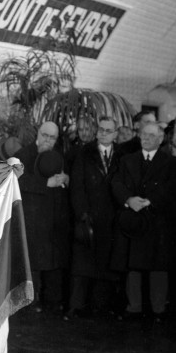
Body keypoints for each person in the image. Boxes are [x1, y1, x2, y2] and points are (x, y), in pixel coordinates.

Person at [111, 123, 176, 322]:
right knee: (133, 265)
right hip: (133, 218)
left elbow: (172, 188)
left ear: (160, 139)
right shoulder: (127, 160)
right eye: (143, 135)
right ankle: (134, 307)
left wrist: (151, 201)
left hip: (157, 220)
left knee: (158, 266)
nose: (146, 138)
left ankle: (158, 308)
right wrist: (129, 200)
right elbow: (116, 183)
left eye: (151, 135)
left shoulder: (171, 162)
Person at [66, 117, 121, 319]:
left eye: (109, 130)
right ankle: (76, 306)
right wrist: (82, 213)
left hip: (111, 219)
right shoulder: (84, 152)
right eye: (101, 130)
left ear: (116, 134)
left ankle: (100, 307)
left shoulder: (122, 154)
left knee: (105, 265)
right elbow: (77, 186)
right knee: (82, 265)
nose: (104, 133)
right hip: (88, 217)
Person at [14, 122, 71, 312]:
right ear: (38, 133)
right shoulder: (24, 155)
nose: (47, 140)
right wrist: (46, 183)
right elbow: (17, 180)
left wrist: (65, 179)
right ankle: (30, 303)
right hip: (32, 219)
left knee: (51, 263)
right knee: (33, 264)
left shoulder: (59, 155)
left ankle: (51, 302)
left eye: (52, 137)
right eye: (44, 135)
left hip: (52, 219)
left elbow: (63, 179)